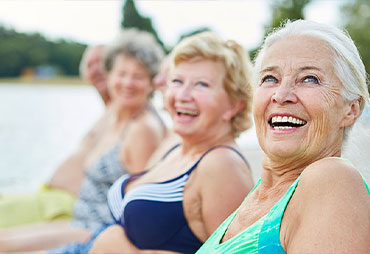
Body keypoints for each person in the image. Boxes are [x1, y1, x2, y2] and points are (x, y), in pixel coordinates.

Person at [57, 31, 255, 254]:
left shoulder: (222, 165)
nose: (182, 95)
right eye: (177, 81)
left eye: (201, 85)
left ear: (234, 105)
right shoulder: (182, 150)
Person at [197, 19, 370, 253]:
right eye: (270, 78)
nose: (281, 95)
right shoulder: (251, 202)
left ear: (350, 109)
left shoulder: (333, 179)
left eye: (310, 79)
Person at [0, 28, 166, 252]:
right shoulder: (117, 115)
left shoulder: (143, 129)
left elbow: (140, 209)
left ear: (151, 83)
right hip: (79, 219)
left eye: (138, 76)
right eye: (121, 73)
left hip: (99, 231)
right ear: (110, 76)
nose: (127, 82)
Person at [0, 44, 110, 229]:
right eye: (90, 64)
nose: (95, 69)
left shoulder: (129, 117)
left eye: (101, 62)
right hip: (47, 197)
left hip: (63, 206)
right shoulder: (107, 115)